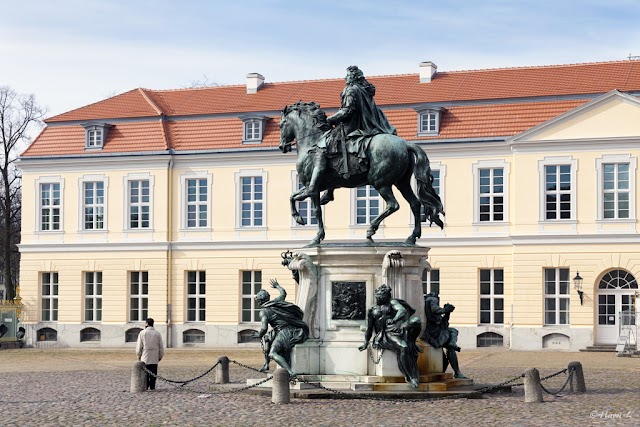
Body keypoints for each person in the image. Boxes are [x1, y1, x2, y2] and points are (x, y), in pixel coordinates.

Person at [298, 66, 397, 199]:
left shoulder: (350, 90)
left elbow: (348, 110)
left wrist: (330, 119)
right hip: (367, 126)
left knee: (322, 146)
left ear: (353, 77)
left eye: (348, 75)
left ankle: (315, 188)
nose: (345, 78)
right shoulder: (364, 90)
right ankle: (329, 190)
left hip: (351, 127)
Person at [358, 284, 422, 387]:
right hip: (383, 334)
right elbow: (369, 328)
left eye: (381, 296)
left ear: (386, 297)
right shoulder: (372, 309)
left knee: (415, 323)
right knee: (403, 347)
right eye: (377, 296)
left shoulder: (392, 302)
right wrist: (366, 342)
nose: (378, 298)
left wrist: (395, 320)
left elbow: (402, 310)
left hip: (393, 330)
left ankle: (411, 375)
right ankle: (411, 376)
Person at [253, 279, 309, 377]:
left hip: (284, 332)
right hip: (284, 329)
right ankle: (266, 364)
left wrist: (259, 335)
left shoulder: (263, 312)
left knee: (272, 353)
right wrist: (277, 285)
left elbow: (264, 328)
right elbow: (283, 293)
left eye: (257, 300)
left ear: (259, 301)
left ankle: (290, 372)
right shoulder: (275, 302)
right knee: (267, 339)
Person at [421, 292, 467, 379]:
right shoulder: (430, 303)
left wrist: (447, 313)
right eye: (434, 303)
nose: (435, 304)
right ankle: (456, 371)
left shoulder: (435, 313)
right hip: (432, 335)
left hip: (439, 333)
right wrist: (445, 310)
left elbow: (444, 323)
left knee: (451, 345)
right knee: (452, 332)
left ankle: (457, 372)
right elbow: (437, 310)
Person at [136, 318, 164, 390]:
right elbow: (161, 346)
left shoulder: (142, 333)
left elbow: (139, 345)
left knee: (145, 373)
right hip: (154, 356)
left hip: (145, 355)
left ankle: (145, 386)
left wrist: (138, 354)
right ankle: (152, 386)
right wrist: (160, 355)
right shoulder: (157, 333)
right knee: (153, 373)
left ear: (147, 324)